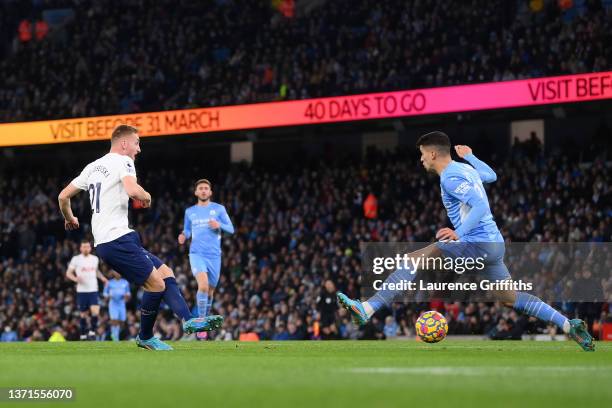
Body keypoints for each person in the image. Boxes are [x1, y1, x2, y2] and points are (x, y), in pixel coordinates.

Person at [337, 131, 594, 351]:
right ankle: (568, 324)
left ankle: (367, 309)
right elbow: (491, 175)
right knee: (508, 297)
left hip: (475, 242)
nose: (421, 158)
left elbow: (480, 204)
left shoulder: (450, 176)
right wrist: (470, 156)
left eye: (423, 153)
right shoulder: (465, 169)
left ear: (433, 153)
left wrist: (459, 232)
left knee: (412, 260)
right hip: (494, 244)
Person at [57, 125, 223, 351]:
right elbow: (133, 190)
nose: (139, 149)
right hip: (116, 240)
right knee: (155, 284)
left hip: (116, 239)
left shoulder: (93, 167)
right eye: (137, 143)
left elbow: (63, 196)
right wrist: (147, 196)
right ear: (124, 143)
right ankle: (145, 337)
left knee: (166, 273)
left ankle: (188, 319)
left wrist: (70, 217)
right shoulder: (123, 161)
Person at [178, 178, 234, 339]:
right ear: (196, 192)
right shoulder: (190, 211)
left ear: (210, 192)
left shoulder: (219, 209)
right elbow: (187, 230)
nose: (203, 190)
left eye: (206, 188)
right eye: (200, 188)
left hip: (214, 256)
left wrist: (219, 225)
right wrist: (183, 235)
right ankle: (202, 322)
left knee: (210, 291)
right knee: (202, 286)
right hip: (196, 254)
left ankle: (205, 318)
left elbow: (231, 228)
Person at [66, 239, 108, 340]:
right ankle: (83, 333)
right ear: (80, 248)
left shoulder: (95, 259)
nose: (85, 249)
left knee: (95, 311)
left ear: (90, 248)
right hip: (82, 291)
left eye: (87, 247)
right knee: (83, 314)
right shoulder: (76, 259)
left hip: (93, 289)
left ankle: (92, 331)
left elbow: (96, 271)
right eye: (83, 247)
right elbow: (68, 273)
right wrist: (76, 279)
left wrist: (102, 278)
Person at [103, 270, 130, 341]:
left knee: (122, 322)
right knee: (115, 320)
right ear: (113, 273)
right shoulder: (109, 283)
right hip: (113, 303)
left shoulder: (125, 282)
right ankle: (115, 338)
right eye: (116, 272)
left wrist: (126, 297)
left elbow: (128, 294)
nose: (118, 273)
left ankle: (114, 333)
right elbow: (105, 294)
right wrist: (109, 297)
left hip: (121, 303)